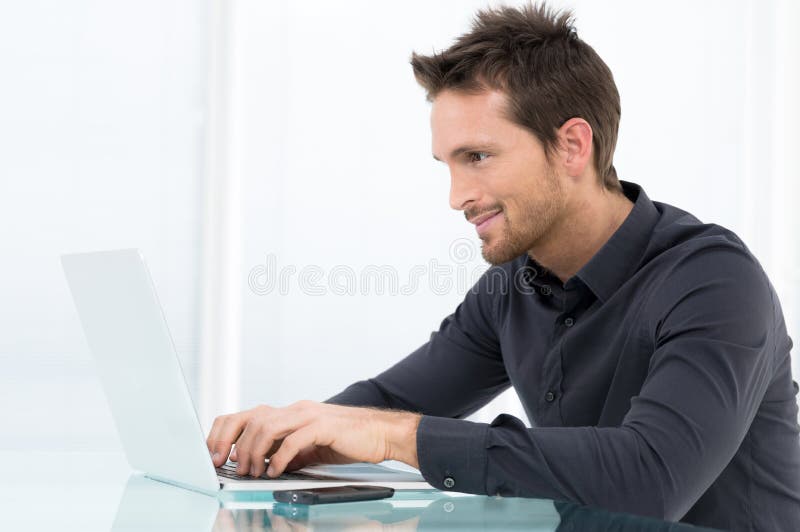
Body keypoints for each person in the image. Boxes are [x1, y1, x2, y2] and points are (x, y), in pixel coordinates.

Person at [206, 4, 800, 530]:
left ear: (572, 145)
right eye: (447, 164)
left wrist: (392, 436)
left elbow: (651, 479)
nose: (457, 196)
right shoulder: (514, 286)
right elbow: (390, 399)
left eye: (479, 157)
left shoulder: (714, 282)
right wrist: (286, 434)